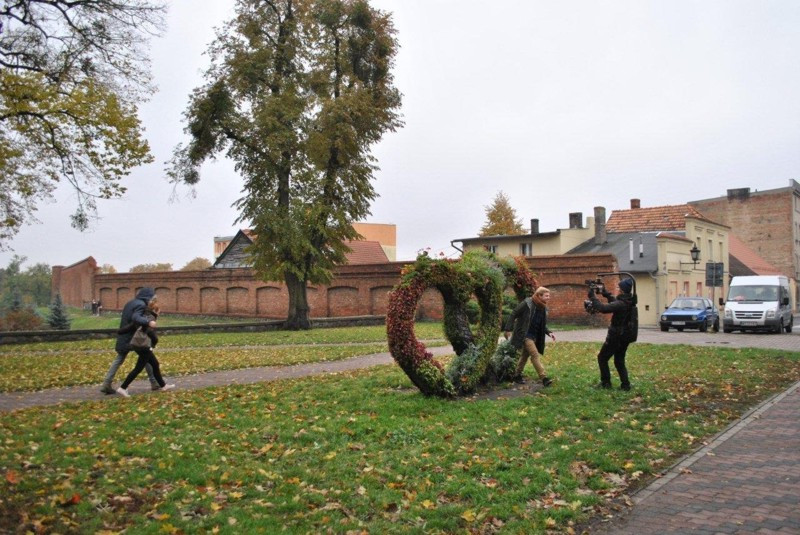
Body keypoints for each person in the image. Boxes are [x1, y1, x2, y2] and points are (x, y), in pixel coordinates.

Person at [100, 288, 161, 394]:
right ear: (147, 297)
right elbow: (135, 317)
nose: (152, 300)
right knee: (146, 357)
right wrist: (148, 322)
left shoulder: (130, 303)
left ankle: (106, 383)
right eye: (151, 297)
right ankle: (154, 382)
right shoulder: (141, 305)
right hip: (135, 337)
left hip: (126, 335)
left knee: (121, 359)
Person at [115, 297, 174, 397]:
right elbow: (151, 333)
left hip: (138, 346)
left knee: (155, 364)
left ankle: (163, 385)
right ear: (155, 310)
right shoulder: (151, 318)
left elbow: (131, 326)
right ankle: (123, 388)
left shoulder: (142, 317)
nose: (160, 313)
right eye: (159, 311)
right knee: (138, 368)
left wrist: (120, 331)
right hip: (144, 347)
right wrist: (154, 343)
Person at [588, 277, 635, 391]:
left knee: (602, 358)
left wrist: (592, 296)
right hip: (624, 336)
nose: (618, 289)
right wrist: (605, 293)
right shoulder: (629, 301)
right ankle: (625, 385)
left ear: (623, 290)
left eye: (619, 287)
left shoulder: (621, 303)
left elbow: (602, 308)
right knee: (619, 360)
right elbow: (615, 303)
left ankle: (606, 383)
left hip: (616, 336)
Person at [504, 286, 556, 387]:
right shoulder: (527, 303)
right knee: (534, 355)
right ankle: (544, 378)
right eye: (546, 296)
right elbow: (514, 313)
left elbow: (541, 324)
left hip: (534, 335)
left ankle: (517, 375)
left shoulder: (543, 307)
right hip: (525, 334)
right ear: (539, 295)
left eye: (549, 295)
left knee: (524, 356)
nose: (549, 297)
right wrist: (508, 329)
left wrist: (549, 332)